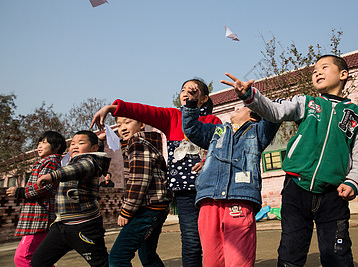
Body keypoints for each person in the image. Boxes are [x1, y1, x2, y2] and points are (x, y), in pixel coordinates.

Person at [221, 54, 358, 267]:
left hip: (333, 195)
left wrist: (353, 182)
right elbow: (274, 111)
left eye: (324, 67)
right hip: (296, 189)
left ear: (343, 74)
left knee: (337, 255)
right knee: (291, 253)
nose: (317, 72)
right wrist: (250, 96)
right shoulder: (307, 103)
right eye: (314, 71)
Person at [91, 78, 222, 267]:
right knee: (191, 242)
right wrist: (112, 108)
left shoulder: (213, 121)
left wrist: (206, 160)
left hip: (209, 189)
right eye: (183, 89)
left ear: (203, 98)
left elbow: (219, 146)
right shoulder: (172, 117)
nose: (186, 92)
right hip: (184, 192)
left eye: (192, 89)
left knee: (212, 237)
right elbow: (144, 111)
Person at [181, 83, 280, 267]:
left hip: (239, 199)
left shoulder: (257, 132)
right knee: (212, 260)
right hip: (209, 199)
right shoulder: (218, 131)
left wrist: (250, 96)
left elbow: (273, 115)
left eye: (242, 106)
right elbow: (192, 130)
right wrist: (191, 105)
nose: (235, 107)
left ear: (253, 115)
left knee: (239, 259)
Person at [31, 130, 111, 267]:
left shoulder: (91, 161)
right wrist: (101, 140)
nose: (74, 146)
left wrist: (52, 176)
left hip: (84, 226)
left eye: (81, 143)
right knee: (38, 261)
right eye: (72, 143)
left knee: (101, 264)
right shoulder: (72, 161)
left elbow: (79, 168)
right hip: (62, 225)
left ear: (93, 148)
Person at [109, 116, 172, 266]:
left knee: (118, 257)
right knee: (147, 255)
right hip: (157, 207)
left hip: (147, 209)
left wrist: (127, 210)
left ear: (142, 124)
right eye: (118, 125)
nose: (122, 128)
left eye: (127, 122)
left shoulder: (137, 143)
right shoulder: (146, 143)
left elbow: (139, 180)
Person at [6, 131, 66, 267]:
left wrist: (20, 192)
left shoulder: (50, 162)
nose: (39, 146)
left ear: (57, 146)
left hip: (39, 218)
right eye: (39, 142)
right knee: (40, 258)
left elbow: (44, 187)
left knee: (23, 257)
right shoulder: (47, 162)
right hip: (40, 217)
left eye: (44, 142)